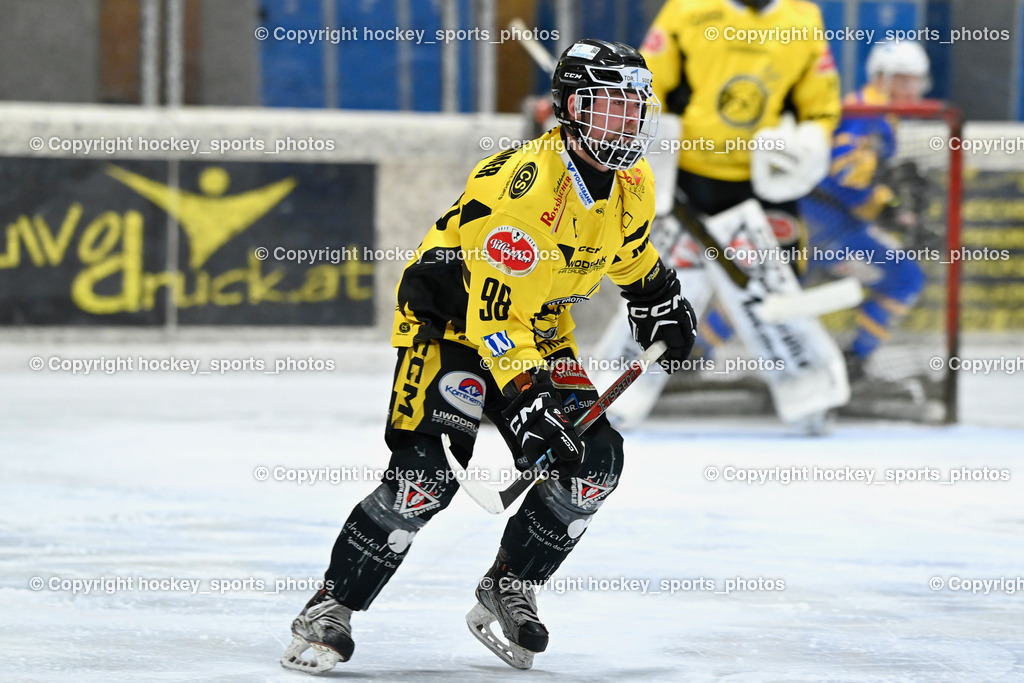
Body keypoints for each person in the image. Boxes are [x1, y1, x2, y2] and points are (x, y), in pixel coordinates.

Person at [280, 38, 696, 674]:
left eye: (634, 107)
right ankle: (329, 607)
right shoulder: (526, 192)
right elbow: (491, 319)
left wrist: (656, 293)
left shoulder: (632, 180)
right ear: (572, 110)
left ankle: (510, 583)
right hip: (450, 325)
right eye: (610, 106)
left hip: (537, 324)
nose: (627, 122)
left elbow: (627, 249)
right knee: (424, 479)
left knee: (594, 462)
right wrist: (528, 401)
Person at [799, 41, 931, 381]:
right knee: (905, 277)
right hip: (825, 225)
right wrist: (890, 209)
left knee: (767, 291)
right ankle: (855, 361)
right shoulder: (867, 115)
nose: (912, 90)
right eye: (904, 80)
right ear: (881, 78)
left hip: (818, 221)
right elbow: (846, 176)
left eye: (916, 81)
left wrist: (889, 204)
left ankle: (696, 355)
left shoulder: (876, 113)